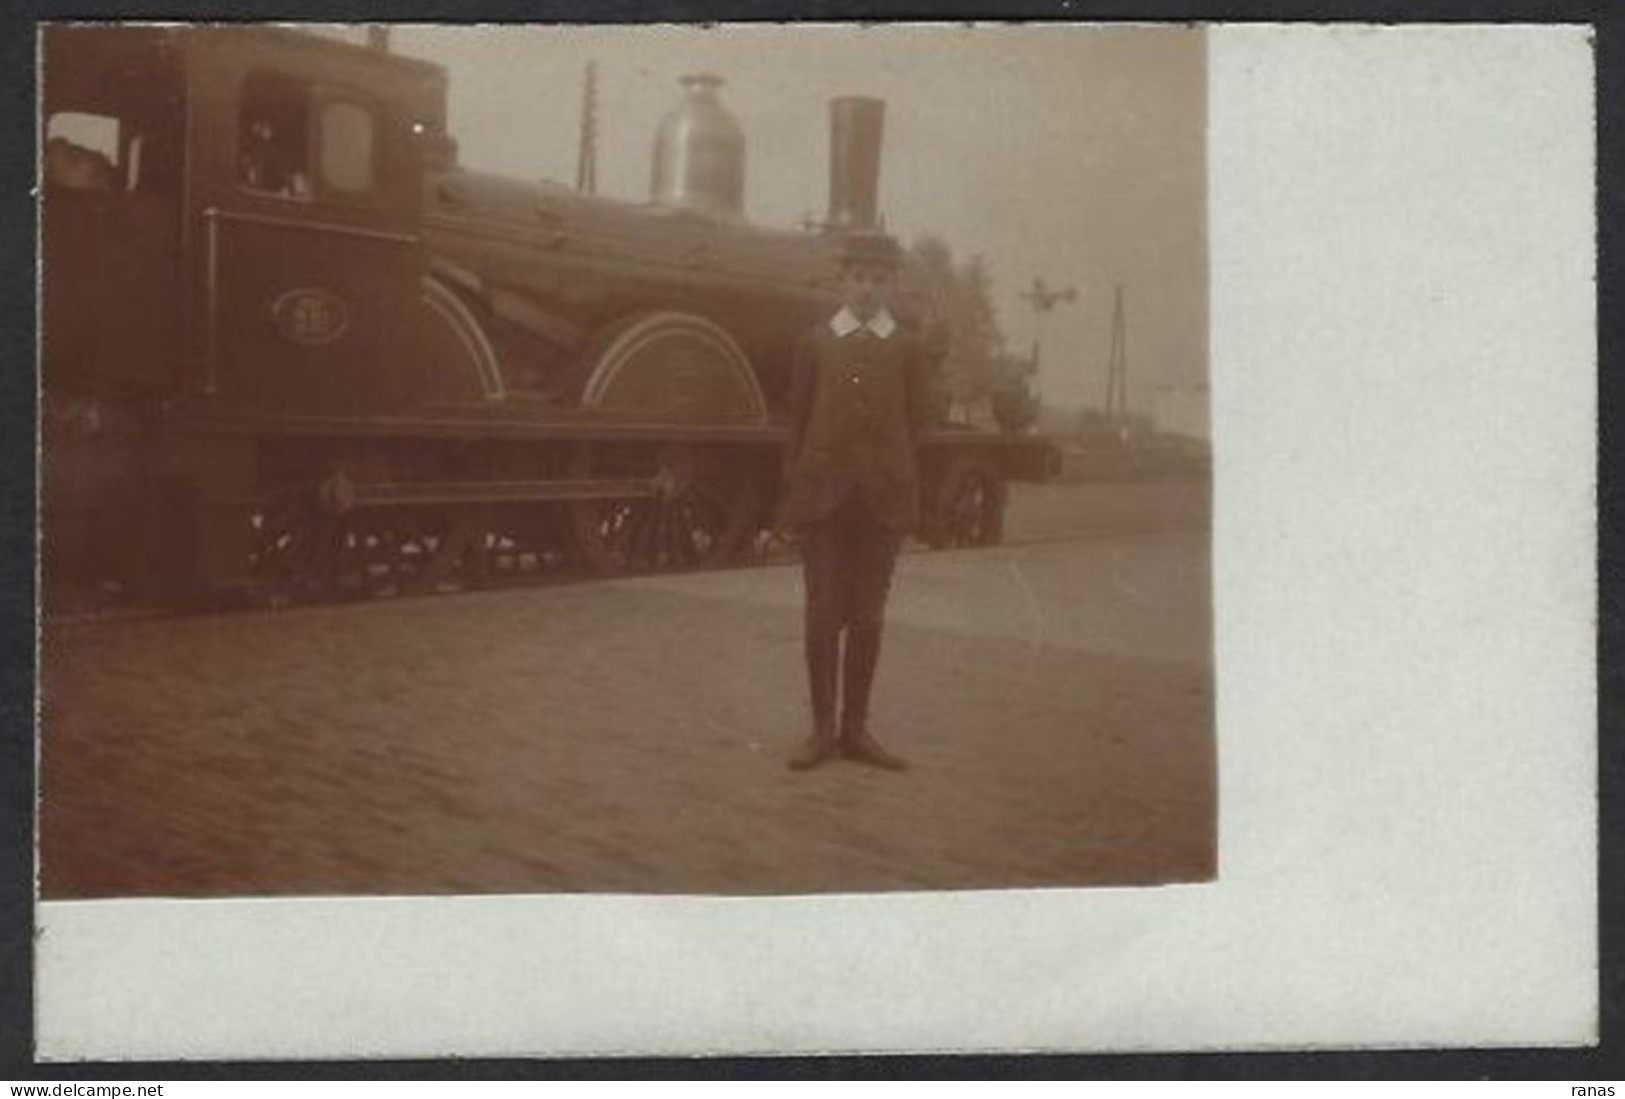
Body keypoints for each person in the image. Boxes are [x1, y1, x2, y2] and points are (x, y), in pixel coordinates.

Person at [779, 230, 927, 772]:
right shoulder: (815, 343)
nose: (868, 289)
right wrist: (795, 499)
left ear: (893, 286)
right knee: (822, 615)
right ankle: (821, 732)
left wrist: (906, 491)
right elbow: (795, 425)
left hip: (882, 500)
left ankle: (856, 730)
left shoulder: (907, 347)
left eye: (879, 279)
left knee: (867, 616)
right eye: (859, 278)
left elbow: (918, 427)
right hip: (823, 499)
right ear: (843, 282)